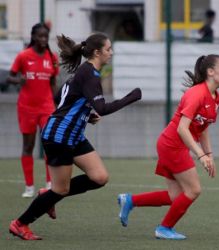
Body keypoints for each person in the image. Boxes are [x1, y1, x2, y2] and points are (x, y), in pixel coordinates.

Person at [9, 32, 142, 240]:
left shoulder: (85, 72)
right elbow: (102, 108)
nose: (111, 53)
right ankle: (20, 223)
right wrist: (130, 98)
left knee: (99, 177)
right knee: (60, 190)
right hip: (59, 137)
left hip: (74, 135)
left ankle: (47, 195)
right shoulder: (89, 74)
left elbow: (59, 97)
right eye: (108, 49)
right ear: (97, 52)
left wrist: (84, 115)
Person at [117, 54, 219, 240]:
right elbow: (182, 128)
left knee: (175, 196)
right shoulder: (196, 94)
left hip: (173, 145)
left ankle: (130, 201)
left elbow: (203, 129)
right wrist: (201, 155)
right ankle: (164, 228)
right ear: (211, 72)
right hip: (172, 145)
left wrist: (210, 155)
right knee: (193, 190)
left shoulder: (216, 98)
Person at [7, 23, 59, 198]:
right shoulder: (23, 56)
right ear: (33, 37)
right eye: (40, 36)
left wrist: (56, 103)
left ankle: (50, 184)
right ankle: (29, 187)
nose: (43, 39)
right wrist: (17, 81)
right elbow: (10, 76)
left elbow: (53, 82)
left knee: (49, 145)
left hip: (47, 107)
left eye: (46, 36)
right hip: (26, 108)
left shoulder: (52, 58)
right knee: (28, 146)